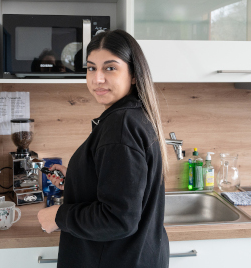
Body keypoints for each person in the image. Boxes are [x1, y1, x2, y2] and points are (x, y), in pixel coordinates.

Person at [37, 29, 170, 268]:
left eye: (110, 68)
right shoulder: (134, 116)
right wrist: (78, 180)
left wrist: (59, 216)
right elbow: (124, 188)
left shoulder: (120, 127)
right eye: (91, 68)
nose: (97, 79)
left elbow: (118, 219)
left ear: (132, 74)